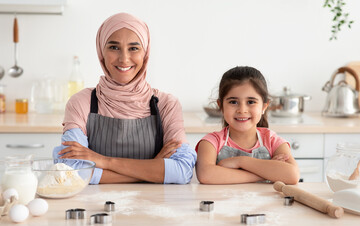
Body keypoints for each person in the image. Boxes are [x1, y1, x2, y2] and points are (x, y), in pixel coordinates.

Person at [52, 13, 196, 184]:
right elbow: (72, 171)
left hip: (154, 205)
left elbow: (183, 171)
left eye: (134, 48)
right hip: (94, 205)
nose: (124, 58)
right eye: (114, 47)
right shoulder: (81, 102)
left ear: (145, 53)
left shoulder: (166, 104)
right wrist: (155, 168)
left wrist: (104, 161)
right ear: (101, 51)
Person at [195, 66, 300, 185]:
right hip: (223, 203)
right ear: (221, 106)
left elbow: (292, 175)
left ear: (264, 106)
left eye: (251, 102)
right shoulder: (211, 142)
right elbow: (206, 175)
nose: (242, 110)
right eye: (233, 102)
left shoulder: (272, 141)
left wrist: (240, 162)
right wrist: (265, 174)